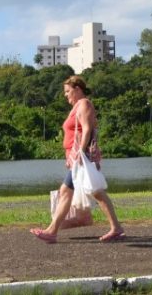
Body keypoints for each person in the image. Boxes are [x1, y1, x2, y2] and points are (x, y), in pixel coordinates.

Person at [30, 75, 125, 243]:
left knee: (92, 191)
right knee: (84, 191)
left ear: (77, 89)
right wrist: (72, 156)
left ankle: (52, 231)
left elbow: (88, 130)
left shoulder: (84, 104)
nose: (66, 95)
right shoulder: (77, 107)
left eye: (68, 91)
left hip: (83, 157)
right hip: (78, 157)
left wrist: (79, 154)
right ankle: (115, 227)